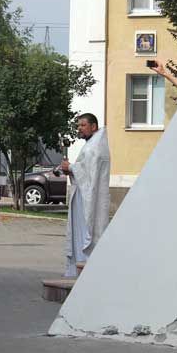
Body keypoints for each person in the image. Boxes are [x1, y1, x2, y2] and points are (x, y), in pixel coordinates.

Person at [60, 113, 111, 277]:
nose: (79, 129)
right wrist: (71, 169)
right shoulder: (93, 144)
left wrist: (71, 167)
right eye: (78, 126)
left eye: (82, 125)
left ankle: (86, 269)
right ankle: (79, 267)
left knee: (88, 232)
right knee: (80, 232)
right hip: (83, 196)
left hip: (89, 198)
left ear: (93, 126)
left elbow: (91, 176)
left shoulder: (95, 147)